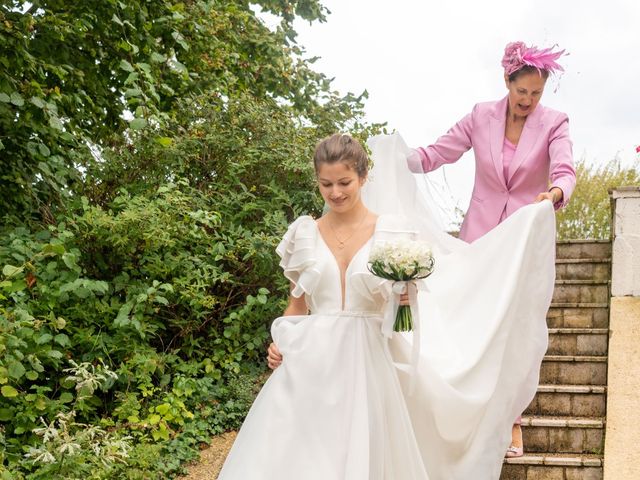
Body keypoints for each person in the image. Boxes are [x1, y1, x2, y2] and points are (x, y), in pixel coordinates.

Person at [224, 132, 557, 479]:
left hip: (367, 365)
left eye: (344, 182)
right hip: (309, 364)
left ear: (363, 177)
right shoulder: (303, 233)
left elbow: (404, 319)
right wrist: (280, 343)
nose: (335, 192)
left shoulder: (392, 232)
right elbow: (297, 306)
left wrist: (402, 299)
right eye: (326, 184)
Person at [405, 41, 576, 456]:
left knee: (513, 331)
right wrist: (393, 159)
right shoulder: (481, 116)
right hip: (479, 240)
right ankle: (465, 416)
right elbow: (436, 153)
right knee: (474, 327)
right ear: (507, 82)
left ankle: (510, 422)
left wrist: (554, 193)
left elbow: (565, 168)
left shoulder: (555, 122)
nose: (529, 101)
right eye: (522, 92)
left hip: (522, 243)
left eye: (536, 94)